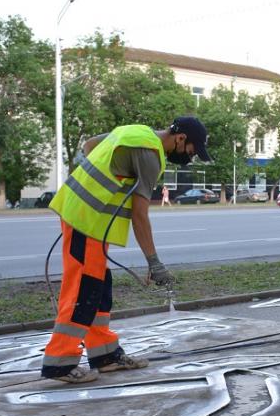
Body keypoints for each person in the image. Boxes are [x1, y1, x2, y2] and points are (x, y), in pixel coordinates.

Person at [41, 116, 212, 383]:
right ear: (180, 139)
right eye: (192, 150)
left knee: (99, 287)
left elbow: (89, 145)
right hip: (85, 219)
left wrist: (103, 179)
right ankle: (59, 362)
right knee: (83, 289)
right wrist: (154, 263)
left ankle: (105, 355)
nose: (190, 157)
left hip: (88, 219)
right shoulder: (151, 155)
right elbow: (140, 214)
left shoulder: (138, 132)